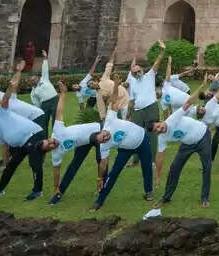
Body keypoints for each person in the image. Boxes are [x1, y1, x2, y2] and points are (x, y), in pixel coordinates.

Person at [0, 61, 58, 201]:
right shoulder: (0, 133)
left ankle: (37, 190)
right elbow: (4, 148)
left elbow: (7, 96)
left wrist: (17, 73)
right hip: (24, 142)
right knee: (11, 166)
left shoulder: (0, 113)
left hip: (34, 132)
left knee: (34, 160)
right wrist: (5, 164)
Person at [91, 75, 154, 210]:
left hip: (142, 139)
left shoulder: (109, 120)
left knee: (147, 166)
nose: (106, 138)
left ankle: (149, 191)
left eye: (103, 136)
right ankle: (100, 201)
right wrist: (99, 178)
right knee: (114, 173)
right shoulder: (104, 146)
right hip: (125, 149)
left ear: (101, 132)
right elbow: (103, 163)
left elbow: (113, 101)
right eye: (103, 140)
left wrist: (116, 84)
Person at [152, 90, 213, 209]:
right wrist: (158, 175)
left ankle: (205, 198)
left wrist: (201, 88)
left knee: (207, 167)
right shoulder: (161, 137)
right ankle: (166, 198)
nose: (160, 129)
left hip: (203, 136)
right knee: (174, 168)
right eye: (157, 131)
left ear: (160, 121)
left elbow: (188, 103)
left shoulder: (172, 118)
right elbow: (160, 156)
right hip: (187, 144)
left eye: (158, 126)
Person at [48, 82, 104, 205]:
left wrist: (63, 93)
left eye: (50, 141)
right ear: (50, 150)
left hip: (97, 131)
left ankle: (102, 188)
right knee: (74, 165)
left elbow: (59, 111)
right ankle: (59, 193)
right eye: (51, 145)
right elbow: (56, 171)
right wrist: (55, 186)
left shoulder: (57, 131)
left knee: (101, 160)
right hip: (83, 142)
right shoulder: (56, 154)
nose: (53, 142)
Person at [128, 41, 166, 166]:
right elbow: (132, 101)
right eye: (134, 72)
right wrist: (129, 114)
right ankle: (135, 160)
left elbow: (157, 62)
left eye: (138, 71)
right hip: (138, 111)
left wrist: (162, 51)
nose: (137, 73)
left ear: (142, 70)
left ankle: (153, 160)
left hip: (151, 108)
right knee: (136, 134)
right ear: (132, 74)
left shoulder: (149, 75)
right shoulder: (133, 83)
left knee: (152, 134)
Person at [29, 51, 58, 135]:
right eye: (32, 80)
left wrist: (45, 58)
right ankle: (44, 139)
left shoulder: (44, 79)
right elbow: (36, 103)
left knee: (55, 120)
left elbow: (44, 69)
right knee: (44, 122)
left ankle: (57, 136)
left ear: (38, 78)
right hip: (44, 104)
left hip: (54, 100)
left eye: (34, 79)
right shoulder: (33, 92)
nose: (34, 81)